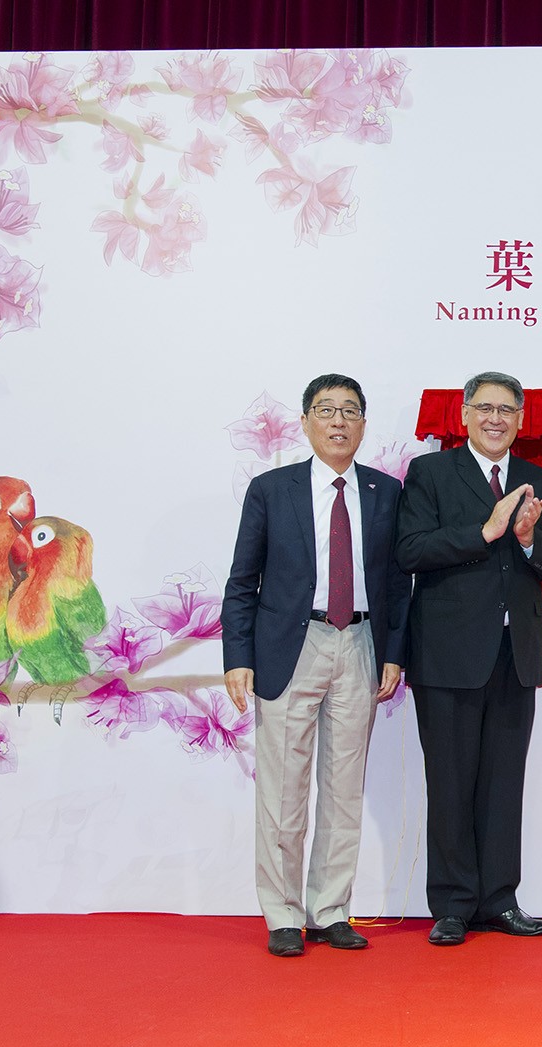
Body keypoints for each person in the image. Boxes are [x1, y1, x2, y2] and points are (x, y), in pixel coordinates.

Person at [222, 374, 409, 958]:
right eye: (325, 410)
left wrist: (394, 652)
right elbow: (241, 581)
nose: (338, 421)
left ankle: (329, 910)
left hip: (358, 643)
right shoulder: (271, 489)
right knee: (283, 788)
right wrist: (238, 658)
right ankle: (281, 913)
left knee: (343, 786)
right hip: (289, 647)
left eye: (350, 411)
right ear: (304, 422)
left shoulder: (384, 491)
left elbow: (398, 584)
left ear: (362, 424)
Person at [396, 371, 542, 947]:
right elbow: (410, 550)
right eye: (485, 408)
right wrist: (487, 529)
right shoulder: (431, 473)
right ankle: (451, 905)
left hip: (513, 655)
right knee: (449, 781)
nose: (496, 419)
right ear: (464, 415)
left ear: (521, 420)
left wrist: (526, 538)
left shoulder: (537, 479)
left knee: (504, 782)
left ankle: (500, 900)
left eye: (507, 410)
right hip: (447, 654)